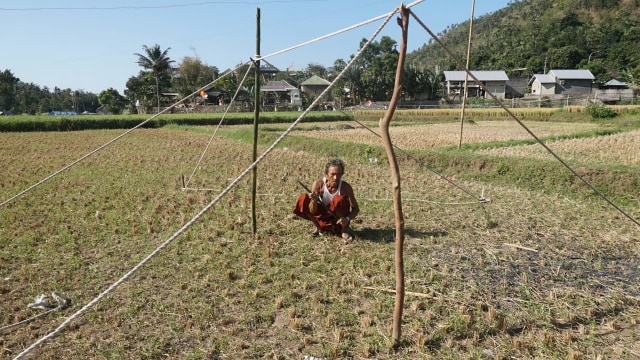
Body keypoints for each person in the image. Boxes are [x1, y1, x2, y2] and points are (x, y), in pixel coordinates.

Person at [293, 158, 360, 243]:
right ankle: (318, 227)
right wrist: (314, 200)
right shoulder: (318, 184)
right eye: (333, 174)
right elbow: (312, 211)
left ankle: (343, 231)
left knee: (338, 199)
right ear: (326, 174)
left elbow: (356, 209)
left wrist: (346, 219)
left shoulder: (345, 187)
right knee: (303, 198)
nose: (336, 178)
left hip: (338, 219)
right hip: (323, 215)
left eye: (339, 174)